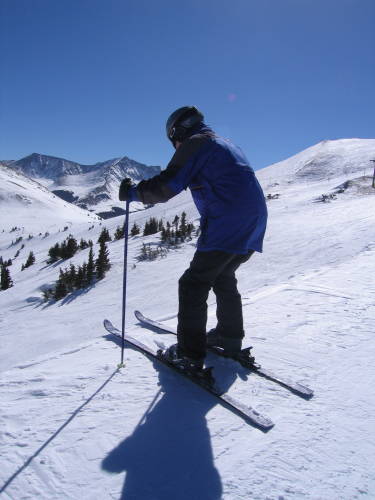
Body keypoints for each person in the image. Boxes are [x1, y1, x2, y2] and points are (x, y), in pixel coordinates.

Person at [119, 106, 267, 372]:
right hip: (253, 223)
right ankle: (229, 337)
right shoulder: (223, 143)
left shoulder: (195, 143)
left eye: (173, 141)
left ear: (177, 132)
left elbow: (168, 185)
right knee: (223, 276)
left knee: (192, 285)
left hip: (228, 223)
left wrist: (133, 193)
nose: (174, 147)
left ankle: (189, 355)